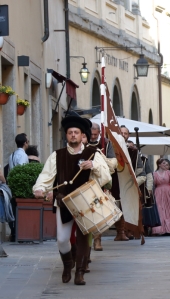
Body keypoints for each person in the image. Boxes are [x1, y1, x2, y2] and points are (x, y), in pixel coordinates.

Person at [33, 115, 111, 285]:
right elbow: (46, 175)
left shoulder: (93, 154)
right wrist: (40, 188)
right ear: (66, 135)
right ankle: (68, 265)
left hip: (87, 202)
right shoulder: (57, 155)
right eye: (70, 133)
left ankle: (80, 273)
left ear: (82, 134)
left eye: (76, 132)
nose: (73, 135)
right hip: (64, 201)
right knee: (62, 239)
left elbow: (106, 176)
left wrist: (94, 166)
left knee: (84, 237)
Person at [88, 122, 119, 249]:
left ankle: (97, 239)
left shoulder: (106, 144)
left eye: (95, 134)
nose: (93, 137)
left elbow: (112, 165)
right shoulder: (82, 142)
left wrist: (101, 160)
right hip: (84, 180)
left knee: (98, 211)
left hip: (99, 182)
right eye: (91, 134)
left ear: (99, 133)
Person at [120, 125, 146, 240]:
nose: (123, 135)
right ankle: (120, 232)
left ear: (128, 135)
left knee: (130, 209)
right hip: (115, 185)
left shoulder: (134, 152)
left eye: (125, 133)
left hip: (129, 185)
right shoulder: (109, 148)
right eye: (121, 133)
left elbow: (142, 173)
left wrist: (134, 183)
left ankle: (128, 231)